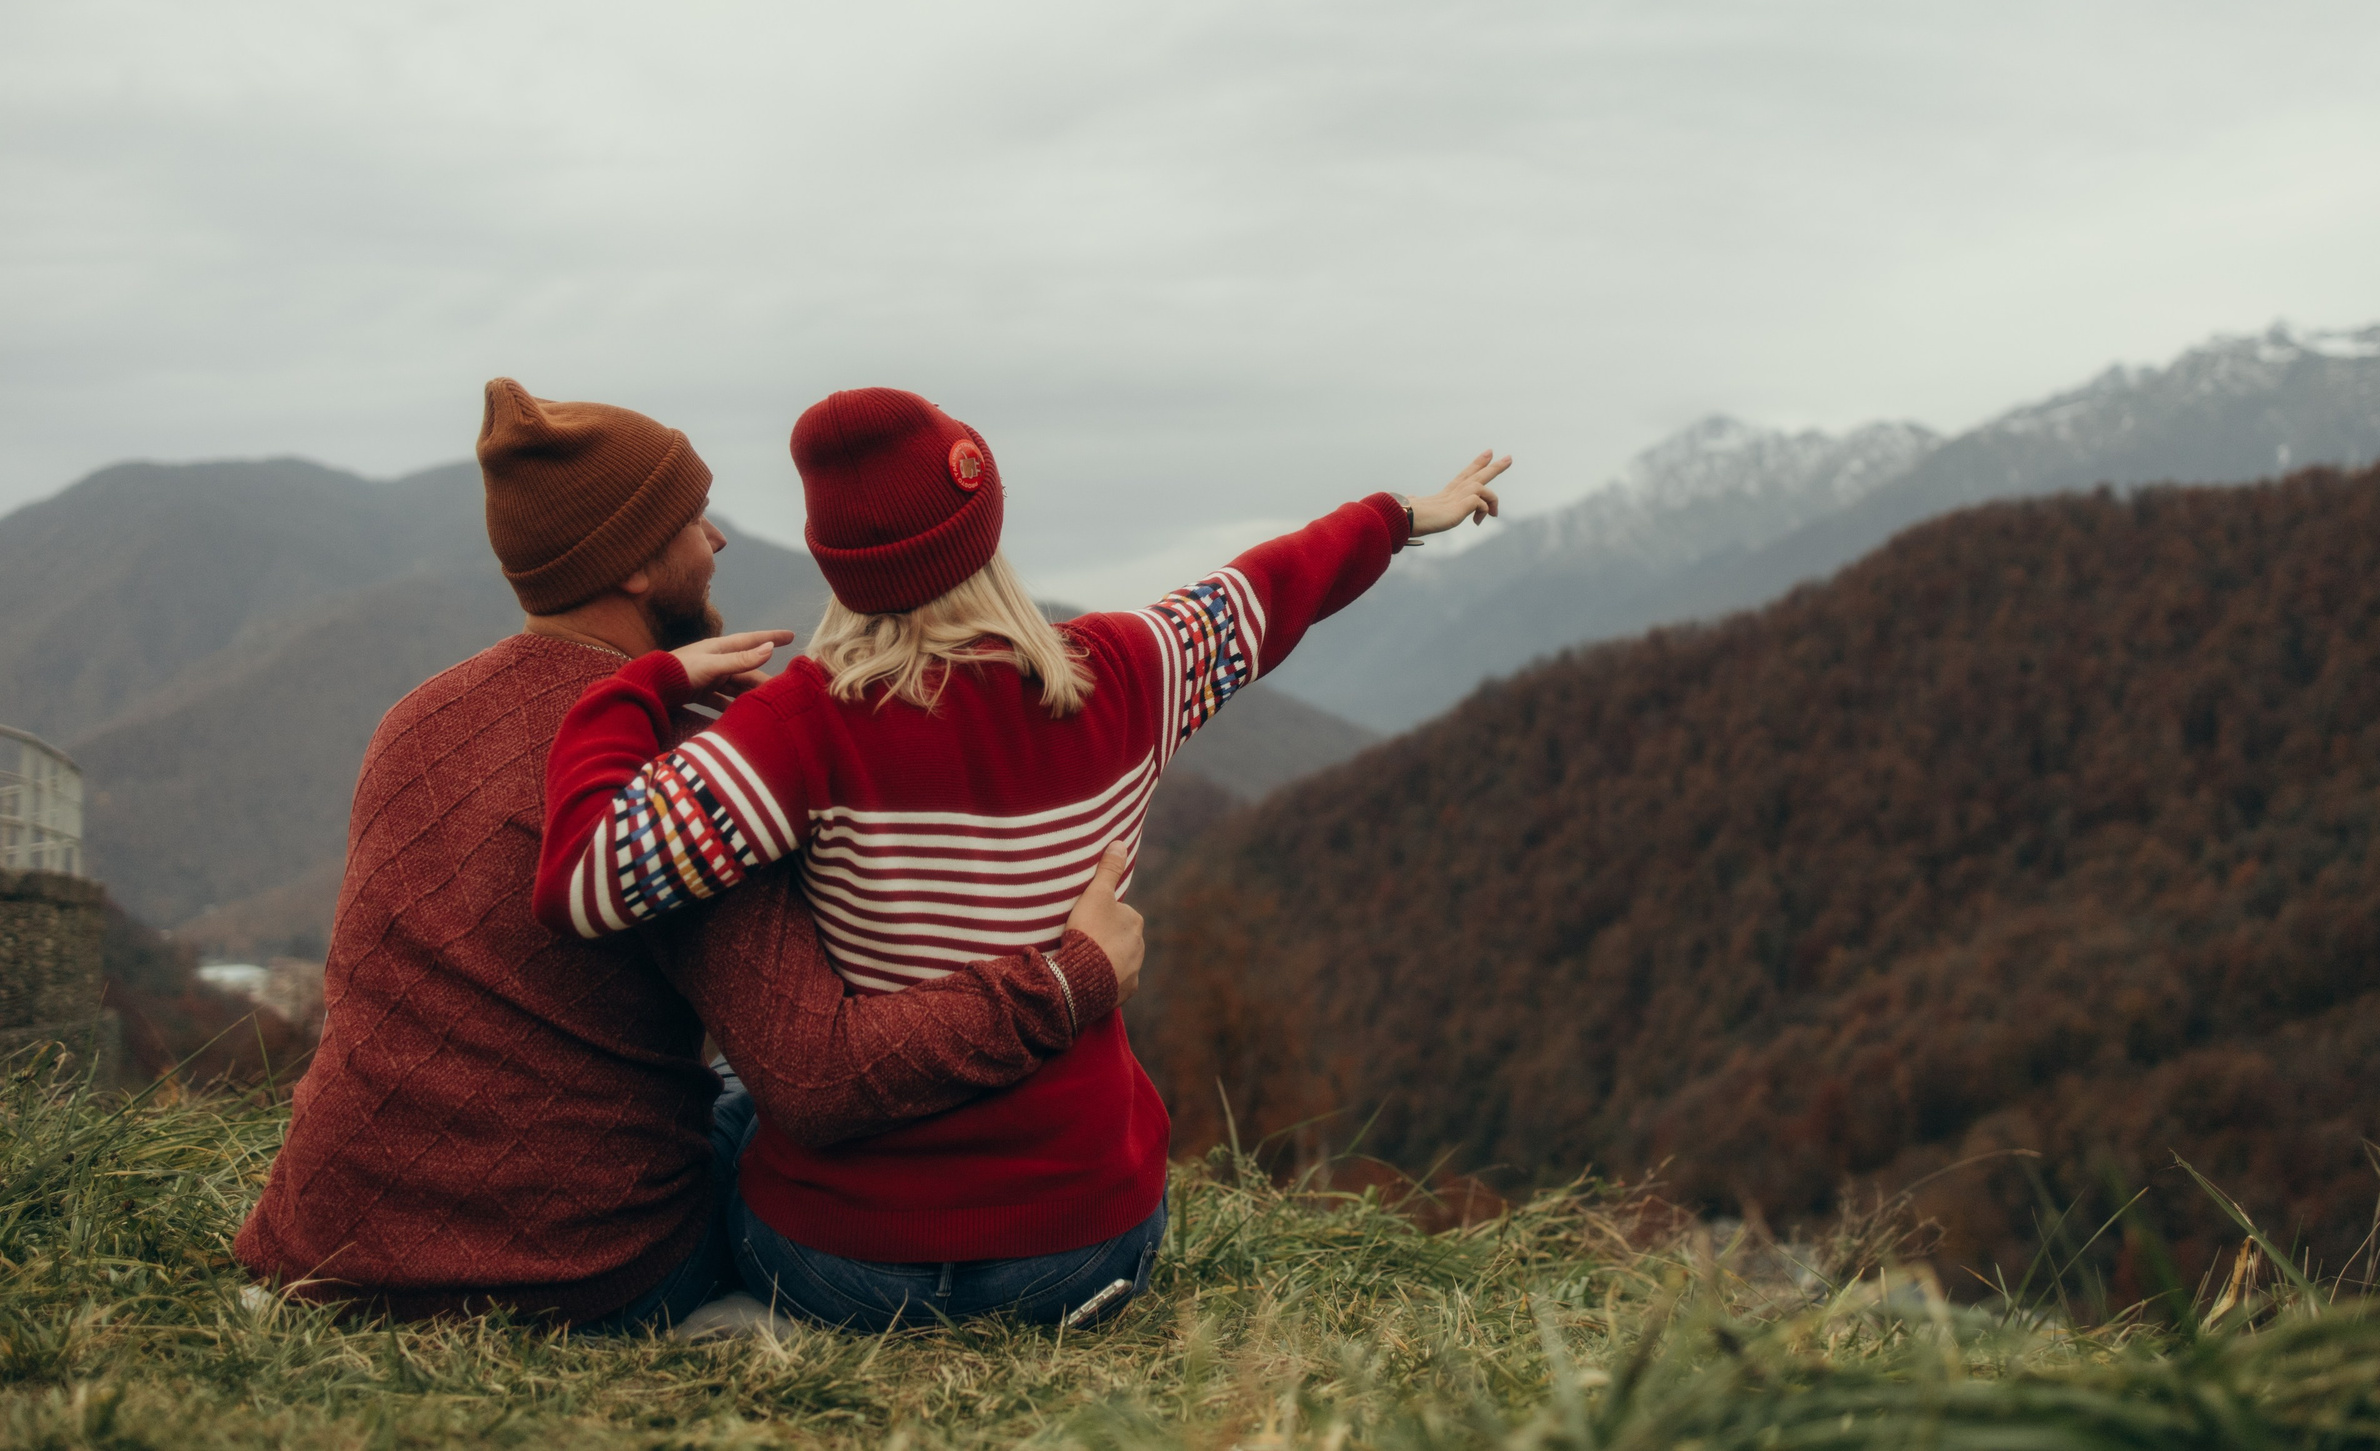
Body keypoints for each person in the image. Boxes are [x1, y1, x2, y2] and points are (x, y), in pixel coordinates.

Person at [534, 386, 1506, 1330]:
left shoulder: (795, 729)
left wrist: (635, 688)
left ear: (837, 562)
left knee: (741, 1108)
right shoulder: (1134, 672)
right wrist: (1402, 514)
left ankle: (768, 1319)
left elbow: (586, 881)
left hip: (844, 1267)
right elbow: (1270, 587)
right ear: (982, 524)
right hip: (1083, 1252)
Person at [234, 380, 1143, 1329]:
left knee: (726, 1088)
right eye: (692, 520)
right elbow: (819, 1077)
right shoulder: (688, 758)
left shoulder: (414, 718)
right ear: (632, 567)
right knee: (766, 1110)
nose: (716, 542)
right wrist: (1071, 975)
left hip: (328, 1244)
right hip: (578, 1274)